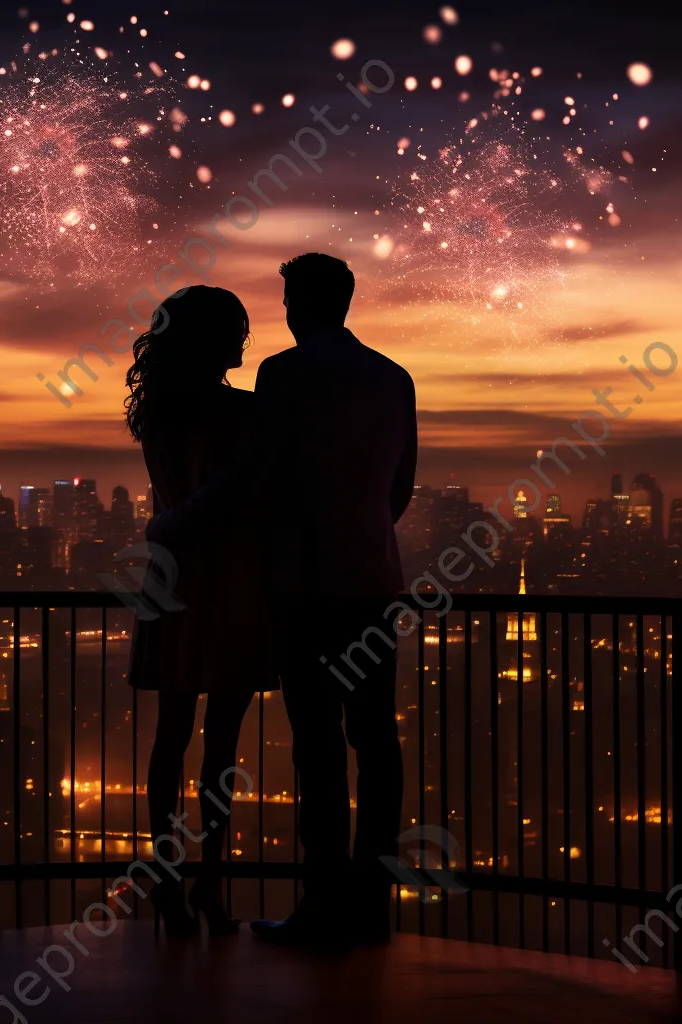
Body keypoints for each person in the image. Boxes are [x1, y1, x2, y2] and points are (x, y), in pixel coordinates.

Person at [148, 253, 418, 949]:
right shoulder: (394, 378)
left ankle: (321, 904)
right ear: (348, 303)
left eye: (288, 299)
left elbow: (250, 475)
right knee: (377, 743)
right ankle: (372, 904)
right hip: (375, 584)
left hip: (302, 586)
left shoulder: (283, 374)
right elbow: (400, 491)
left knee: (320, 748)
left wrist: (172, 525)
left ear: (299, 304)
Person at [124, 285, 276, 937]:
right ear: (216, 340)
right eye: (236, 331)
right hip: (233, 581)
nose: (245, 341)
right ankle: (212, 882)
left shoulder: (156, 415)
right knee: (222, 743)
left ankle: (167, 879)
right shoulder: (247, 414)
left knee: (170, 737)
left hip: (171, 580)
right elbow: (250, 494)